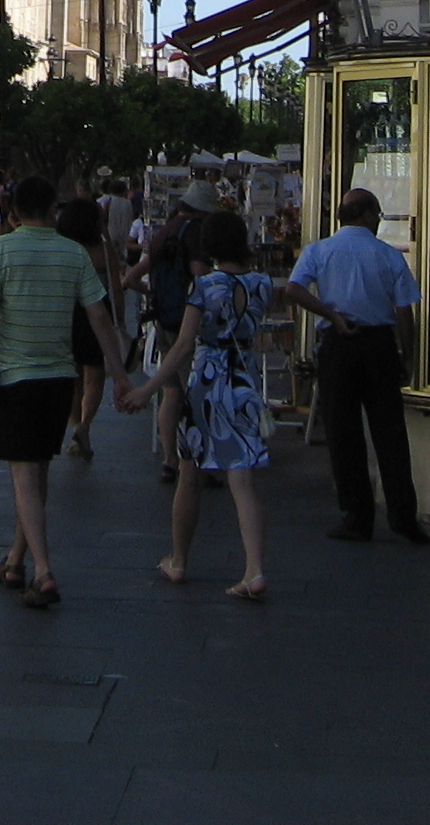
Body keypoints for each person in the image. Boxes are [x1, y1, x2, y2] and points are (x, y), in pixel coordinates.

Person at [0, 172, 129, 609]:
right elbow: (100, 317)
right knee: (37, 471)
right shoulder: (73, 253)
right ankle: (15, 560)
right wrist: (119, 374)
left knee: (23, 475)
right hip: (60, 381)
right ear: (52, 210)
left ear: (14, 210)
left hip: (17, 377)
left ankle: (42, 571)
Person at [124, 210, 273, 600]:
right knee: (242, 478)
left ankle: (179, 559)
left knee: (189, 472)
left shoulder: (204, 287)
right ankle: (254, 569)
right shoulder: (261, 284)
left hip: (207, 383)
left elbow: (183, 346)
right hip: (244, 382)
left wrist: (147, 389)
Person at [286, 186, 430, 544]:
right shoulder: (388, 255)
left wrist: (331, 315)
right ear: (366, 215)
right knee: (390, 432)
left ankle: (356, 515)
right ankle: (402, 515)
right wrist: (407, 355)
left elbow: (294, 289)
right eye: (376, 214)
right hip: (379, 344)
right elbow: (404, 310)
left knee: (343, 432)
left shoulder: (319, 251)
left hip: (339, 344)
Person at [137, 180, 219, 482]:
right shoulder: (194, 232)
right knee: (194, 393)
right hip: (188, 320)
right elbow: (200, 275)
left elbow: (131, 278)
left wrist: (155, 294)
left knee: (170, 391)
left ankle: (169, 458)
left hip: (163, 319)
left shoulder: (163, 232)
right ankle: (199, 462)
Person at [52, 197, 117, 461]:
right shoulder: (102, 250)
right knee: (95, 375)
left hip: (66, 313)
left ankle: (75, 427)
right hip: (96, 313)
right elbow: (115, 286)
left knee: (73, 376)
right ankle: (84, 425)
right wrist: (119, 322)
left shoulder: (60, 247)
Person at [102, 178, 139, 340]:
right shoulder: (127, 203)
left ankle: (117, 276)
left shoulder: (109, 201)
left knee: (113, 256)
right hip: (125, 232)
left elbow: (104, 217)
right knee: (123, 258)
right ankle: (123, 278)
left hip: (111, 233)